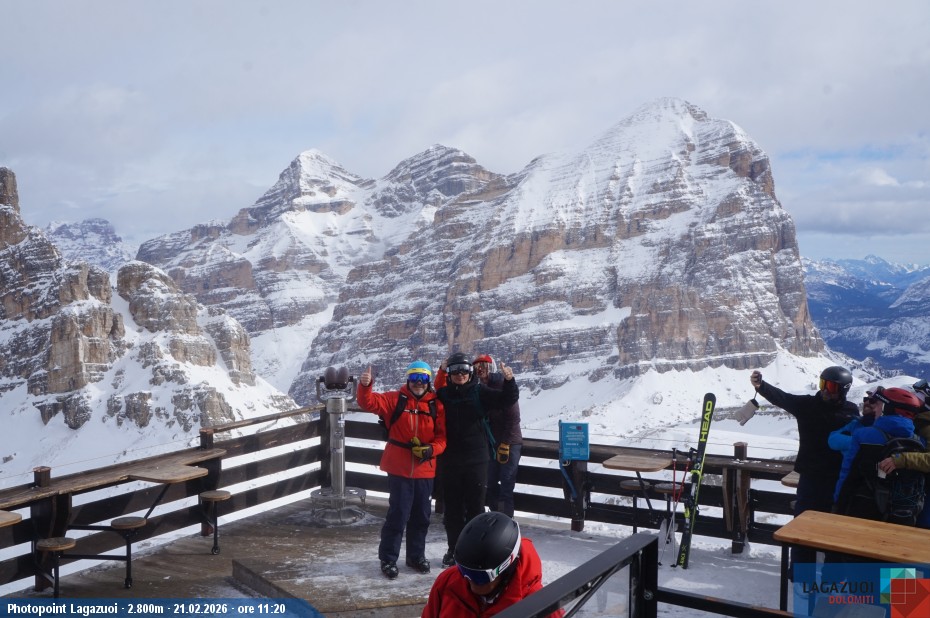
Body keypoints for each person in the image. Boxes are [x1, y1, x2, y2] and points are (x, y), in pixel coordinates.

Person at [748, 366, 859, 570]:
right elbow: (783, 398)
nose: (824, 390)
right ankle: (800, 576)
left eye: (831, 386)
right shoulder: (808, 405)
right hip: (810, 479)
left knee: (835, 533)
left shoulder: (851, 412)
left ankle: (831, 579)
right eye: (822, 383)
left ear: (843, 389)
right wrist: (761, 386)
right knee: (802, 528)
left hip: (837, 481)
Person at [357, 361, 447, 579]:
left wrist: (430, 450)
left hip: (425, 469)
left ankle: (416, 556)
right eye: (414, 378)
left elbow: (442, 438)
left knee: (421, 516)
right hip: (399, 468)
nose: (418, 383)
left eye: (423, 378)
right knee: (398, 515)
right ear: (408, 379)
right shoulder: (395, 399)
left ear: (428, 381)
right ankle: (388, 558)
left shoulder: (436, 405)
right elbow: (368, 403)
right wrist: (365, 386)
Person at [435, 352, 519, 568]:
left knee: (476, 508)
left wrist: (509, 380)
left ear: (470, 372)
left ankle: (473, 552)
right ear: (449, 374)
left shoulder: (479, 392)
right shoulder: (443, 395)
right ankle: (454, 550)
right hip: (451, 461)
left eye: (464, 370)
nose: (460, 374)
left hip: (477, 460)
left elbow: (507, 399)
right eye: (455, 370)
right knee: (453, 509)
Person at [421, 512, 558, 618]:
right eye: (463, 570)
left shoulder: (539, 606)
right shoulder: (447, 583)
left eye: (479, 576)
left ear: (505, 567)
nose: (469, 580)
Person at [473, 354, 524, 518]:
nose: (480, 370)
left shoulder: (503, 385)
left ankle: (506, 520)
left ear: (491, 367)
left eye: (484, 366)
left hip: (510, 442)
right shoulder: (479, 389)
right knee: (491, 481)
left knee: (506, 481)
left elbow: (513, 418)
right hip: (491, 442)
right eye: (477, 367)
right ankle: (495, 517)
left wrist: (506, 443)